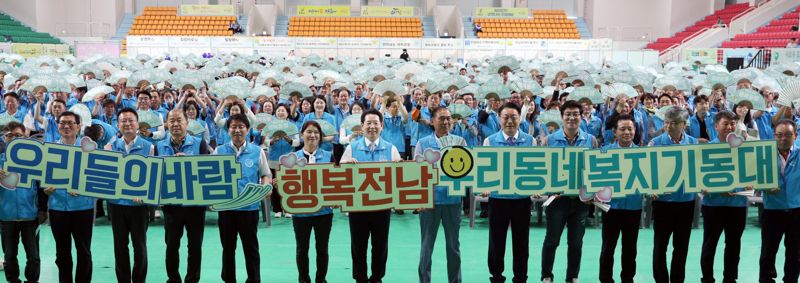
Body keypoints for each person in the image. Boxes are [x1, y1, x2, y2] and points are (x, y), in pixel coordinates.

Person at [340, 109, 403, 283]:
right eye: (368, 123)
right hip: (357, 207)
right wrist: (345, 164)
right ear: (362, 126)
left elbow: (401, 177)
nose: (372, 127)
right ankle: (360, 278)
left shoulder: (391, 149)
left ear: (382, 126)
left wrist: (399, 167)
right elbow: (340, 174)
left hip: (382, 207)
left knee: (380, 246)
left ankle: (377, 278)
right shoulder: (351, 149)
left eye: (376, 123)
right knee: (358, 246)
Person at [540, 100, 598, 283]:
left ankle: (572, 276)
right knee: (552, 240)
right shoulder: (549, 141)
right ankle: (546, 275)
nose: (572, 118)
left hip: (581, 200)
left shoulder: (591, 140)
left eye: (575, 114)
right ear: (562, 117)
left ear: (581, 117)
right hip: (557, 200)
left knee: (576, 243)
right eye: (568, 114)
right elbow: (542, 169)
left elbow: (595, 170)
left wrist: (592, 192)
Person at [481, 102, 536, 282]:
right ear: (499, 119)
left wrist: (536, 187)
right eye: (506, 117)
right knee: (496, 241)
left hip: (521, 200)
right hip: (498, 199)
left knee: (522, 241)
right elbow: (484, 171)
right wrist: (484, 186)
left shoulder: (530, 141)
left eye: (514, 117)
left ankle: (520, 277)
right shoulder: (490, 141)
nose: (510, 121)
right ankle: (496, 275)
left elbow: (535, 170)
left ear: (520, 118)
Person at [213, 113, 270, 283]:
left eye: (241, 127)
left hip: (249, 208)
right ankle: (229, 279)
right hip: (226, 209)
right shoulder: (219, 151)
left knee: (251, 248)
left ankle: (254, 279)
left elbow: (265, 174)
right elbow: (210, 179)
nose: (237, 130)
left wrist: (266, 186)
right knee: (228, 249)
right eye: (233, 127)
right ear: (228, 130)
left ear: (247, 129)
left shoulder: (257, 151)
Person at [157, 109, 211, 283]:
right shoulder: (159, 146)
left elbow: (207, 171)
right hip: (171, 205)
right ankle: (173, 279)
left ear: (187, 123)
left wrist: (188, 162)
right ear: (166, 124)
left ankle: (192, 279)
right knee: (171, 246)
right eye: (171, 121)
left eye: (179, 120)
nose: (175, 124)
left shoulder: (199, 143)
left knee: (195, 247)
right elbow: (156, 175)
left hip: (195, 204)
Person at [647, 106, 698, 283]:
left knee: (681, 246)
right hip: (663, 202)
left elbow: (699, 171)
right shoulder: (655, 143)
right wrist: (650, 188)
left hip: (686, 201)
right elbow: (647, 171)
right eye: (666, 122)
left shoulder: (693, 144)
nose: (668, 126)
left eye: (674, 123)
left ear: (684, 124)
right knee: (660, 246)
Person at [104, 108, 154, 283]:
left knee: (139, 246)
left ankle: (139, 279)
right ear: (118, 125)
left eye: (130, 120)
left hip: (138, 206)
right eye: (123, 121)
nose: (127, 124)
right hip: (116, 204)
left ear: (137, 124)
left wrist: (144, 194)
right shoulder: (110, 147)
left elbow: (152, 177)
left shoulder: (149, 147)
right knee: (120, 246)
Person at [700, 111, 751, 283]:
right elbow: (698, 177)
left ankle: (730, 278)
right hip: (712, 204)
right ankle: (707, 278)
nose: (730, 127)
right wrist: (709, 188)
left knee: (733, 245)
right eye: (725, 123)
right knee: (709, 244)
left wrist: (751, 184)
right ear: (716, 126)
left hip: (737, 204)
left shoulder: (744, 148)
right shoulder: (706, 149)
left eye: (732, 124)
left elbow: (751, 173)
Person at [416, 107, 465, 283]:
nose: (446, 122)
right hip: (429, 202)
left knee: (453, 246)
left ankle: (455, 281)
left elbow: (467, 171)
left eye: (449, 119)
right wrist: (419, 199)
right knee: (427, 246)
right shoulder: (423, 143)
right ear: (432, 121)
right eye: (442, 119)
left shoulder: (460, 142)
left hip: (453, 200)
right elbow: (417, 174)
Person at [46, 111, 96, 283]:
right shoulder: (50, 150)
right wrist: (45, 188)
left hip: (83, 207)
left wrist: (83, 187)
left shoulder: (89, 151)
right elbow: (43, 178)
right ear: (57, 126)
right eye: (62, 123)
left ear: (78, 126)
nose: (66, 126)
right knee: (61, 252)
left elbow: (96, 179)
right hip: (57, 208)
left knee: (83, 251)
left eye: (70, 123)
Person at [598, 115, 643, 283]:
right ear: (614, 132)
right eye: (622, 129)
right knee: (608, 246)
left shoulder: (642, 153)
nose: (627, 132)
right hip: (611, 207)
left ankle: (627, 278)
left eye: (630, 129)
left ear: (635, 131)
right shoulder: (604, 152)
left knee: (630, 248)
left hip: (633, 206)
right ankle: (605, 278)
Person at [0, 121, 45, 283]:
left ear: (25, 138)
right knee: (9, 255)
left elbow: (42, 187)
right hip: (6, 217)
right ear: (4, 138)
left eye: (18, 135)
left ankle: (32, 280)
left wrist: (42, 210)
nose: (13, 139)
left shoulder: (34, 161)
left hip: (30, 216)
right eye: (9, 135)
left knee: (33, 256)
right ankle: (13, 280)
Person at [292, 120, 334, 283]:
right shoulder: (292, 158)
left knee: (322, 249)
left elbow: (335, 181)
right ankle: (304, 279)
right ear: (302, 135)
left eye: (316, 132)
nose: (313, 135)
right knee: (302, 250)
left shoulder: (328, 156)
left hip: (323, 212)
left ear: (321, 137)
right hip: (300, 213)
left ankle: (321, 279)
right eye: (309, 132)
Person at [759, 120, 800, 282]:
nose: (783, 138)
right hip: (772, 211)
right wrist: (764, 187)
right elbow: (753, 178)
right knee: (768, 253)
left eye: (788, 135)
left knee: (795, 254)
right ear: (774, 136)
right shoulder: (763, 155)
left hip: (797, 212)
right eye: (779, 135)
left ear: (795, 136)